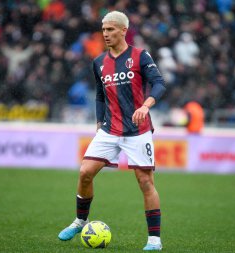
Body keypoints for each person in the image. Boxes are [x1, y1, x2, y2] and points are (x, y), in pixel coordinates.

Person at [58, 11, 166, 251]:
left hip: (138, 130)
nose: (105, 34)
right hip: (110, 129)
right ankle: (79, 221)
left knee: (145, 182)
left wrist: (146, 106)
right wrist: (99, 123)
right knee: (85, 171)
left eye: (110, 29)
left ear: (123, 30)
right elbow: (99, 95)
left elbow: (159, 83)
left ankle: (154, 241)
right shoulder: (98, 62)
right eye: (103, 30)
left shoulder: (140, 56)